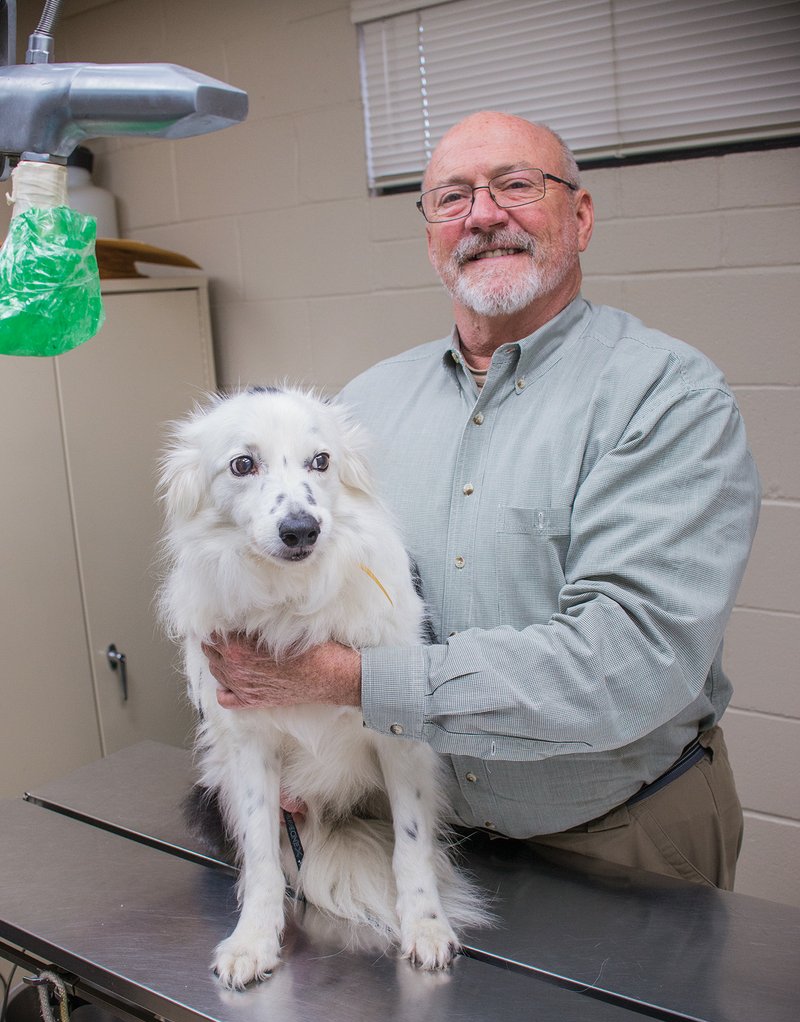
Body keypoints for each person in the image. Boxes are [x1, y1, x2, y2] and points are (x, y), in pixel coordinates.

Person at [203, 111, 760, 889]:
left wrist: (344, 684)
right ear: (431, 232)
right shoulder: (362, 412)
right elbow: (312, 600)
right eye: (452, 197)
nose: (484, 215)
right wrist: (298, 743)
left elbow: (632, 659)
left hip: (621, 839)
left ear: (582, 215)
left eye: (516, 185)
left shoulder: (665, 397)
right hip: (424, 836)